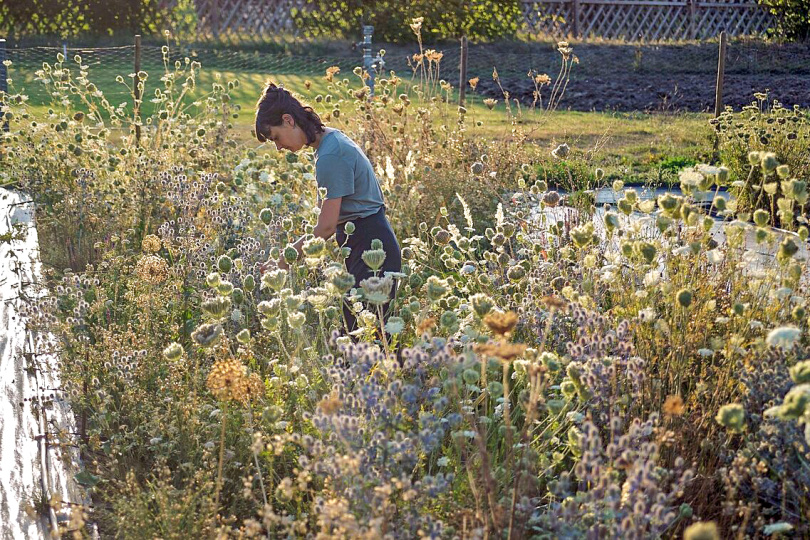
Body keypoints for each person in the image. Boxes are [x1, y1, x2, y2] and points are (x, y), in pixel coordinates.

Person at [254, 82, 402, 334]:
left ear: (288, 120)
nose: (278, 148)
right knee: (368, 335)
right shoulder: (330, 141)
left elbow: (326, 228)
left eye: (276, 137)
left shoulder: (330, 156)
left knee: (366, 340)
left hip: (371, 247)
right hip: (368, 243)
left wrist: (285, 261)